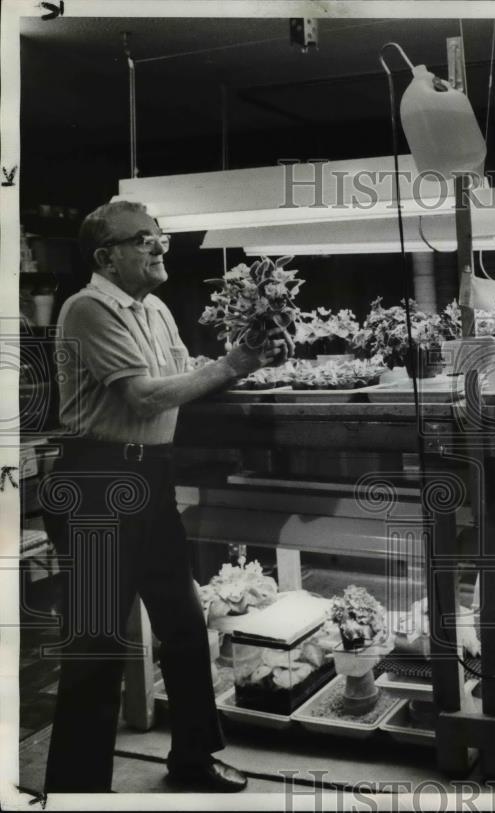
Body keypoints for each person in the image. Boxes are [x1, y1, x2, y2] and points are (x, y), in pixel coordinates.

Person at [41, 200, 292, 793]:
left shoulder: (152, 309)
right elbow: (148, 397)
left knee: (183, 625)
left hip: (148, 479)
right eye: (143, 240)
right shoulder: (88, 309)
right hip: (96, 485)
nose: (158, 248)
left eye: (160, 239)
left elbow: (186, 375)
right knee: (98, 645)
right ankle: (79, 790)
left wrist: (250, 358)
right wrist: (235, 363)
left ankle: (193, 760)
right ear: (106, 256)